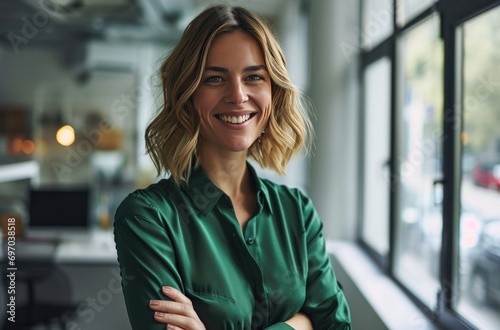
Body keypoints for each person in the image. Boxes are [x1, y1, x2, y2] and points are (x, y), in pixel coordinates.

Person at [114, 4, 351, 330]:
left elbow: (337, 327)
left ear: (273, 91)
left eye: (254, 76)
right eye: (214, 78)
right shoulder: (147, 218)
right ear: (188, 94)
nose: (238, 96)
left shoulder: (298, 212)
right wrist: (300, 324)